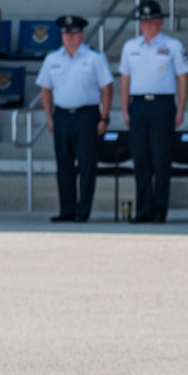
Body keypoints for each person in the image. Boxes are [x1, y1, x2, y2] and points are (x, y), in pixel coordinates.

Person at [117, 0, 188, 224]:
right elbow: (125, 80)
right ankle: (143, 209)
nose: (147, 25)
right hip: (138, 105)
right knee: (141, 161)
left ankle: (159, 209)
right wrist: (125, 110)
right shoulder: (130, 47)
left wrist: (181, 109)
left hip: (162, 104)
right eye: (143, 22)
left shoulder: (173, 46)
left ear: (159, 22)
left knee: (161, 160)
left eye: (151, 21)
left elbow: (183, 78)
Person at [35, 15, 110, 222]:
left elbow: (106, 88)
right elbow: (45, 89)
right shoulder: (52, 59)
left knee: (87, 165)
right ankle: (66, 209)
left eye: (74, 33)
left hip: (87, 114)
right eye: (66, 33)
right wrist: (49, 117)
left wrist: (104, 116)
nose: (70, 37)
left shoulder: (94, 58)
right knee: (64, 166)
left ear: (82, 34)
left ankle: (82, 211)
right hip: (62, 115)